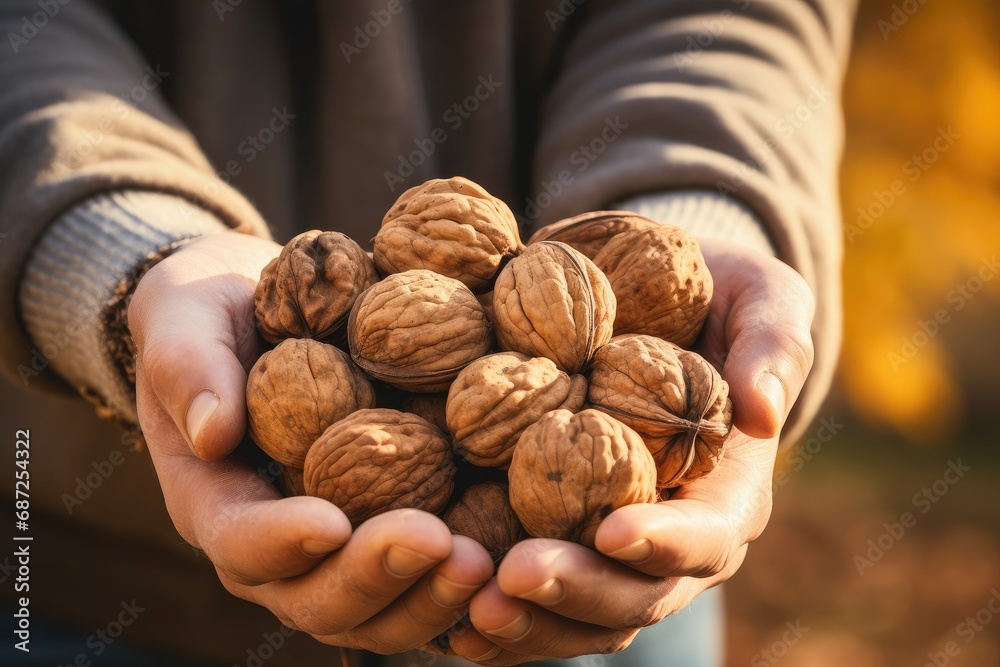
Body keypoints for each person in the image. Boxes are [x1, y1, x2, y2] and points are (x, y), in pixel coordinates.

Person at [0, 0, 856, 665]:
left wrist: (696, 209)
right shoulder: (360, 349)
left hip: (601, 593)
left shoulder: (573, 350)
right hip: (86, 589)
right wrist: (117, 249)